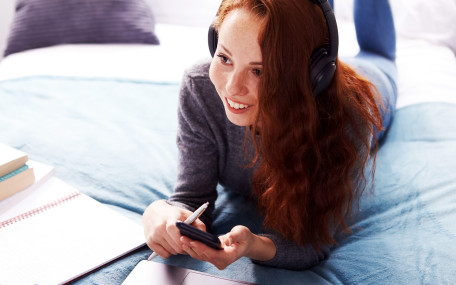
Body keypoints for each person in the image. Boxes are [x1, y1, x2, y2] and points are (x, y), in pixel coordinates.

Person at [142, 0, 397, 270]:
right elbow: (191, 198)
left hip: (372, 81)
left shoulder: (350, 118)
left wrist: (256, 246)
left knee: (377, 55)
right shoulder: (200, 87)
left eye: (258, 71)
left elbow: (314, 243)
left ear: (311, 75)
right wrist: (160, 212)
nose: (232, 88)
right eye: (225, 58)